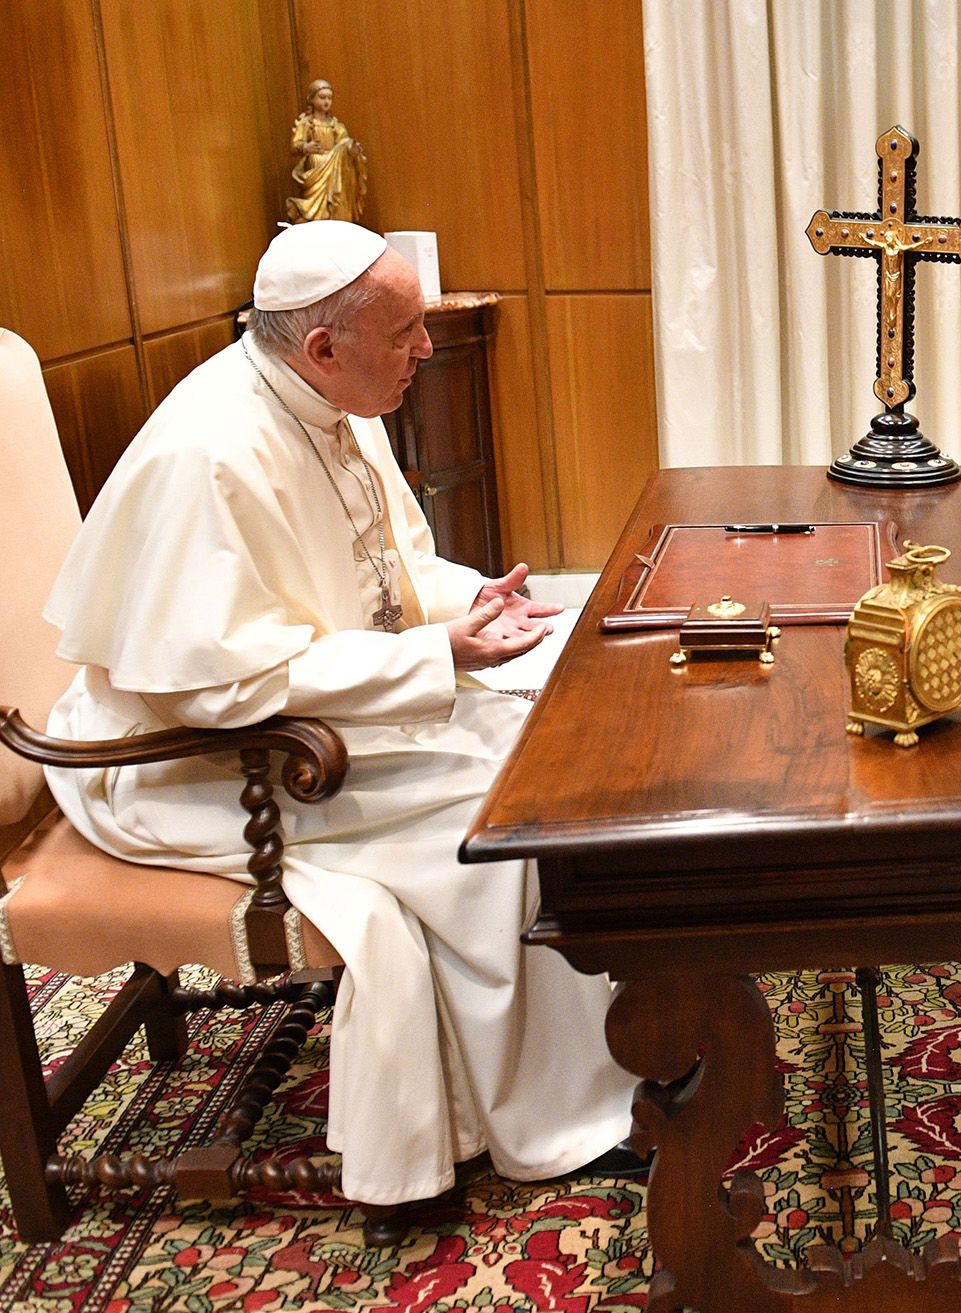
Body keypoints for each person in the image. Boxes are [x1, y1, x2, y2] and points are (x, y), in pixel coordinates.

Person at [41, 221, 640, 1207]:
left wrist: (473, 602)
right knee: (498, 813)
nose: (427, 348)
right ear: (324, 346)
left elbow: (388, 572)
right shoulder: (209, 453)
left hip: (291, 724)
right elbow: (212, 686)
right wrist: (434, 655)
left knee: (545, 738)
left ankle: (614, 1046)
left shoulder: (331, 398)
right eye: (405, 330)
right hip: (177, 764)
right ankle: (561, 1123)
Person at [287, 80, 367, 224]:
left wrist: (352, 149)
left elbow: (344, 142)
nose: (326, 101)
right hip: (316, 164)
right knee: (315, 204)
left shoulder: (335, 125)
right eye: (322, 97)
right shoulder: (306, 123)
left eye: (329, 98)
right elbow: (294, 145)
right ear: (311, 99)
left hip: (335, 167)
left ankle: (337, 216)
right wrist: (306, 147)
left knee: (338, 188)